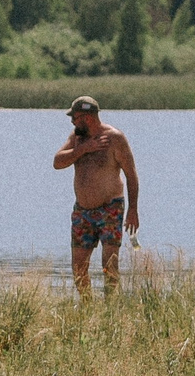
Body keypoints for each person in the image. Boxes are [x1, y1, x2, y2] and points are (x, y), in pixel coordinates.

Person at [53, 96, 139, 296]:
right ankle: (87, 307)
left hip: (110, 209)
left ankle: (110, 308)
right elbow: (57, 162)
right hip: (82, 211)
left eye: (75, 117)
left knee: (109, 264)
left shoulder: (114, 138)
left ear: (87, 117)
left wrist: (133, 210)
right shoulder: (77, 138)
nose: (72, 122)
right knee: (78, 266)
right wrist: (84, 149)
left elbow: (131, 174)